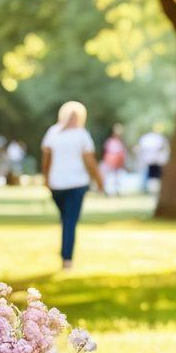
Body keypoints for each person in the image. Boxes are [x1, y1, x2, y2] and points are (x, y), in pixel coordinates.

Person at [41, 102, 104, 269]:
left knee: (67, 219)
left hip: (61, 184)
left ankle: (65, 254)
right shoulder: (81, 134)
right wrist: (99, 180)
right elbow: (90, 161)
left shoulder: (53, 132)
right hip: (73, 183)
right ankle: (67, 257)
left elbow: (46, 158)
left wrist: (46, 178)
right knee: (69, 220)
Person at [136, 127, 169, 194]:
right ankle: (148, 189)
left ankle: (151, 190)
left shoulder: (152, 138)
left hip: (153, 160)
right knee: (151, 176)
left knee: (153, 176)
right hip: (152, 160)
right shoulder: (156, 138)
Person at [101, 124, 128, 196]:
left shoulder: (121, 142)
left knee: (118, 178)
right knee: (110, 178)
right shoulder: (110, 141)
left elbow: (122, 153)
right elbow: (108, 153)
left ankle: (117, 191)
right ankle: (110, 192)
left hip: (118, 163)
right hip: (111, 162)